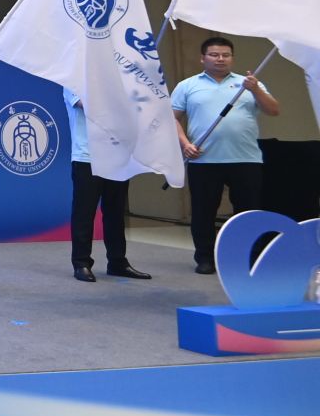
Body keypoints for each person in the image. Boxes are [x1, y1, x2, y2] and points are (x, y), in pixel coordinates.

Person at [171, 36, 279, 275]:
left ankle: (248, 257)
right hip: (204, 159)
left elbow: (273, 110)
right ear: (203, 58)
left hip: (246, 159)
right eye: (214, 55)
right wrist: (185, 144)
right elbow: (172, 119)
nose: (220, 59)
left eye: (225, 55)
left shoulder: (248, 83)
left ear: (232, 58)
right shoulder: (188, 85)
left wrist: (255, 90)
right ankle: (205, 258)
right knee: (203, 212)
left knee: (248, 213)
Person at [60, 86, 150, 283]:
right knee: (84, 212)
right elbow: (89, 106)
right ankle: (81, 262)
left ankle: (117, 262)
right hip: (87, 157)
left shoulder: (117, 81)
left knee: (115, 212)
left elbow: (136, 106)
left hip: (117, 154)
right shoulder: (73, 80)